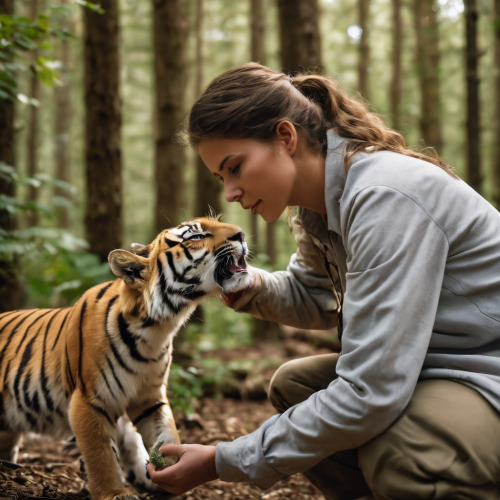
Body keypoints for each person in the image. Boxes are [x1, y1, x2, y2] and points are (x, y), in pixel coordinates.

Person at [146, 63, 500, 499]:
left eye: (235, 168)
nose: (230, 194)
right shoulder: (320, 209)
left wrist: (225, 460)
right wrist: (247, 284)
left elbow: (371, 390)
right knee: (297, 387)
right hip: (443, 365)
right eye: (222, 178)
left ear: (285, 138)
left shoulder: (383, 196)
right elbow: (317, 298)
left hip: (486, 372)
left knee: (407, 454)